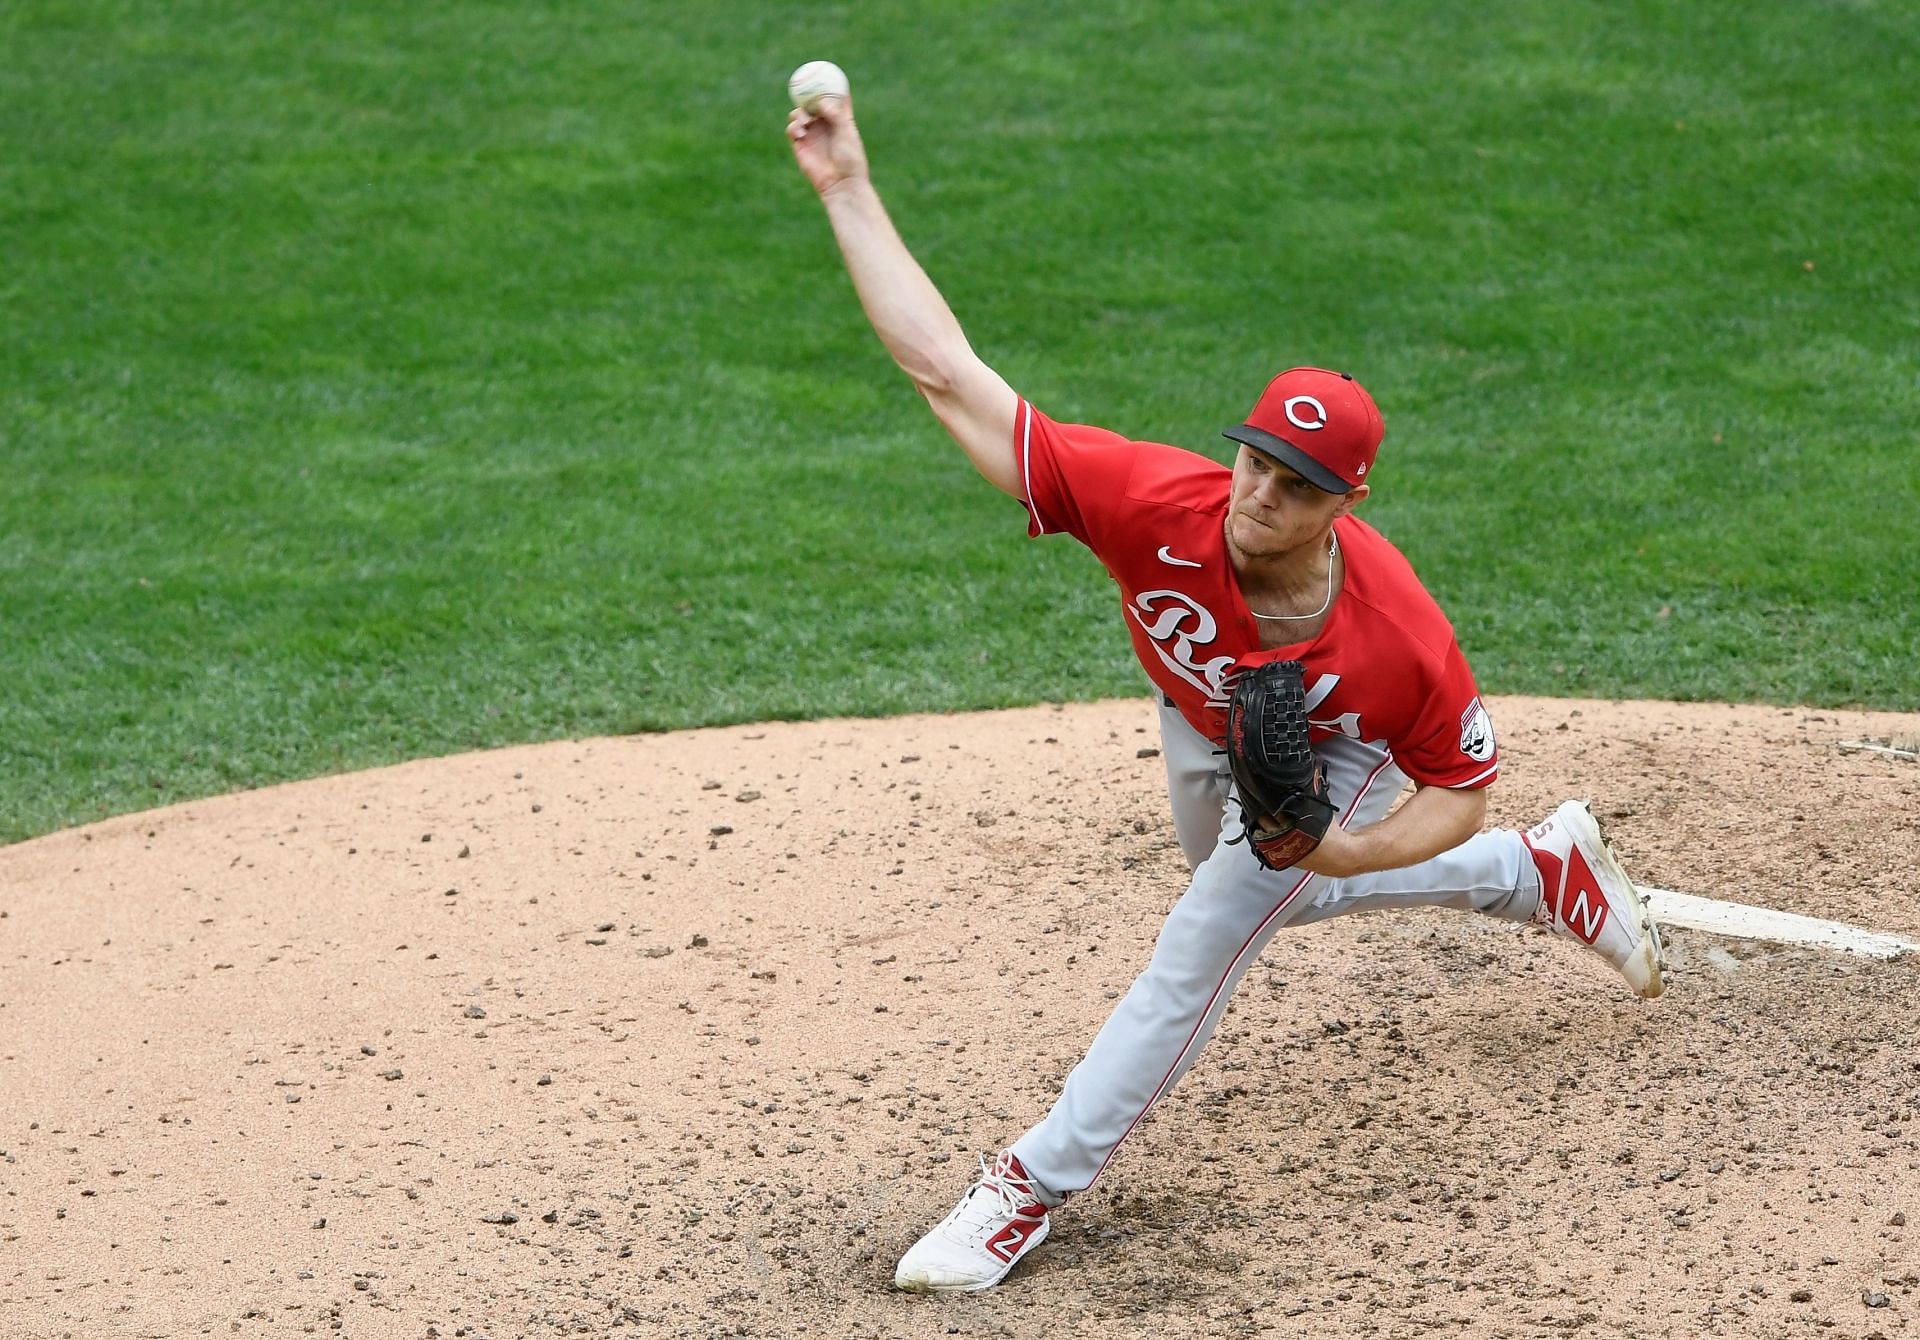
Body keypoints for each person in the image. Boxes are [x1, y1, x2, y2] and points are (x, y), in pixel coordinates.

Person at [786, 91, 1666, 1294]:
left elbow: (1460, 783)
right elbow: (949, 374)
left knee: (1205, 934)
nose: (1259, 495)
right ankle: (1541, 871)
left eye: (1296, 485)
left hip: (1332, 749)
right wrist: (846, 188)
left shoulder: (1396, 637)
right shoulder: (1152, 499)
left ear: (1342, 503)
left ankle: (1025, 1188)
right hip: (1206, 730)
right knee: (1248, 884)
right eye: (1255, 460)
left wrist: (1343, 845)